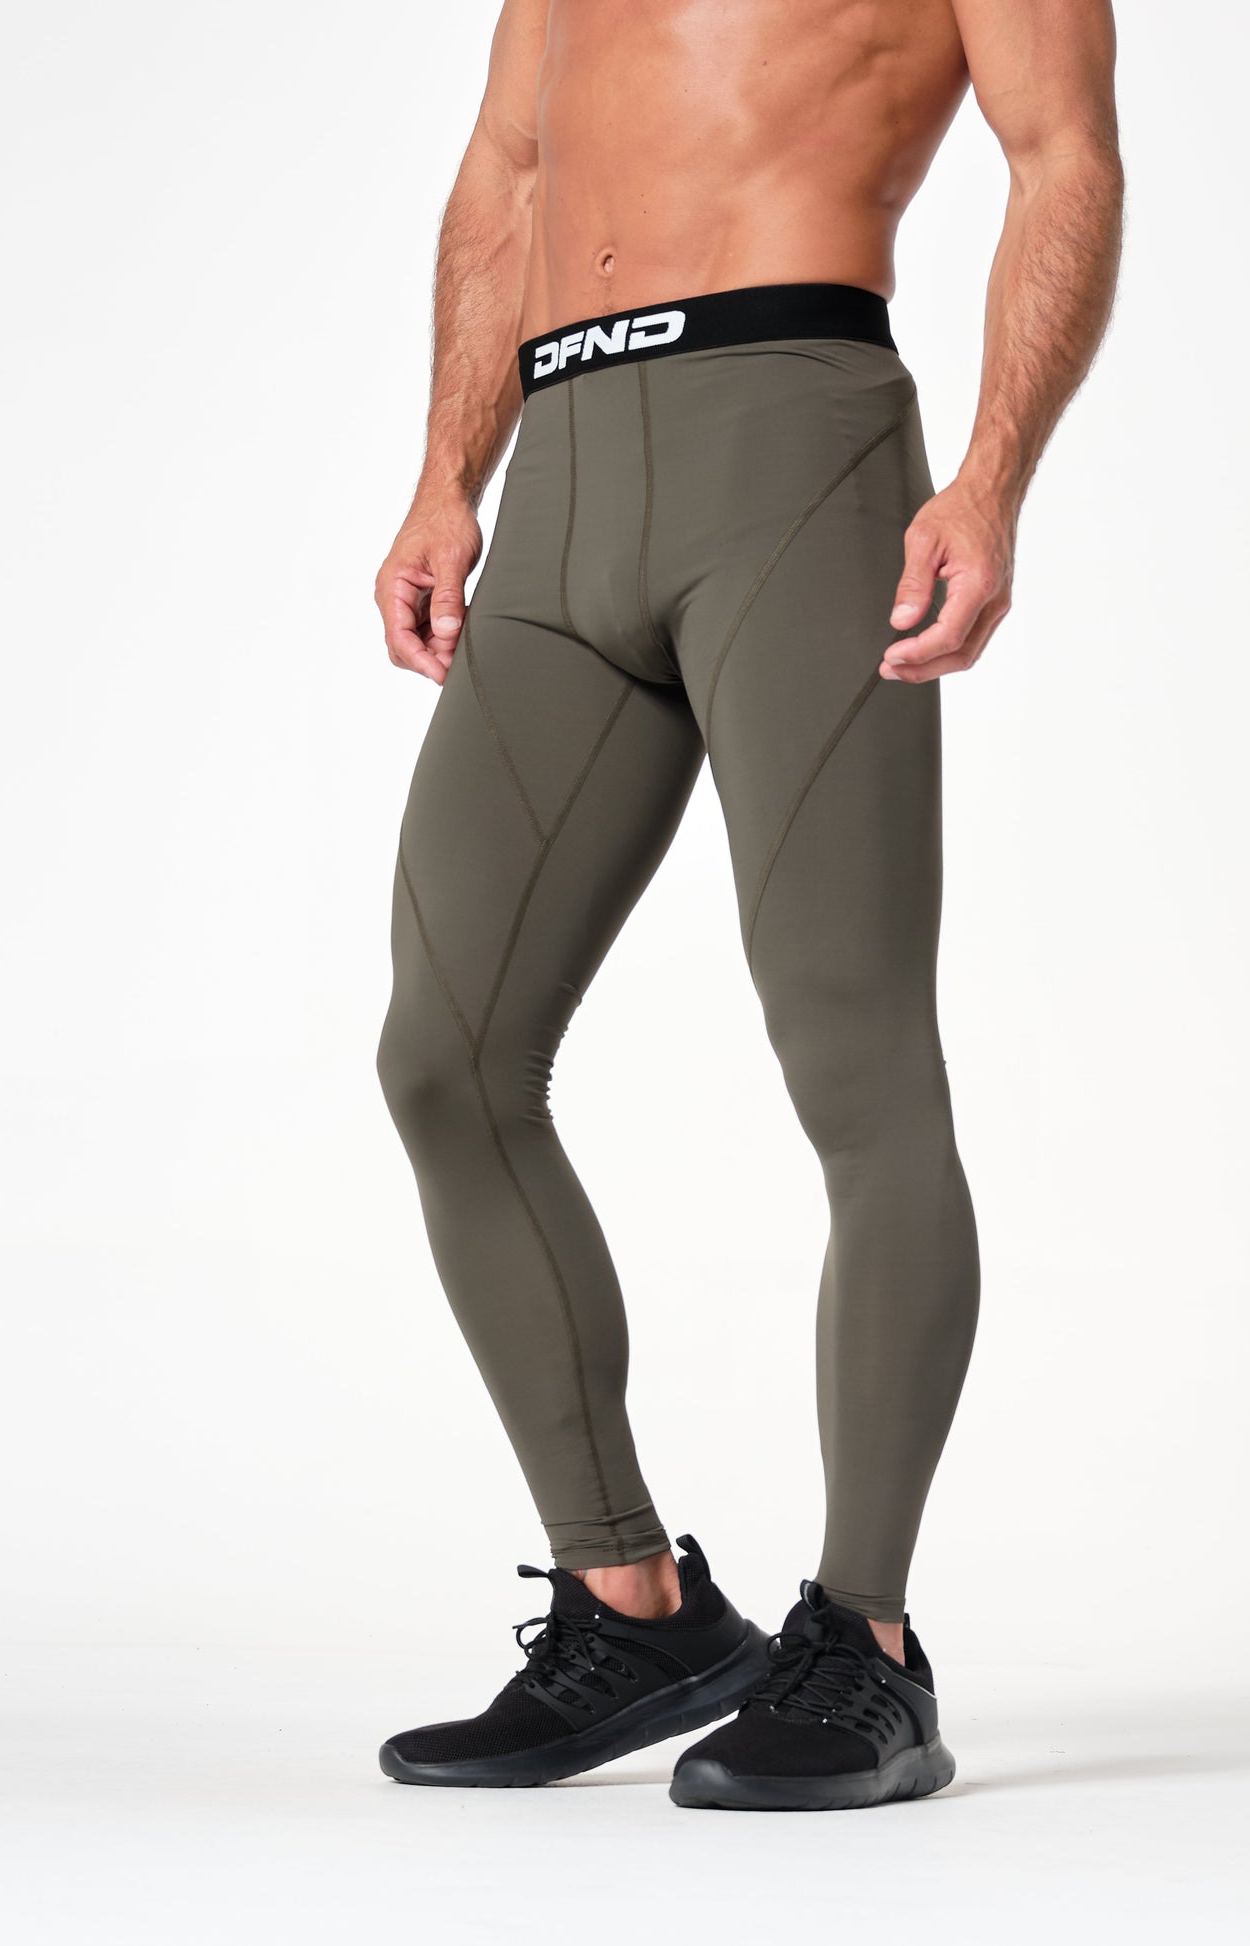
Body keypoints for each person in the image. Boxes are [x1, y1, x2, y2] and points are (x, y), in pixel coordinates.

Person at [370, 0, 1122, 1812]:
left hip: (794, 447)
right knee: (446, 1060)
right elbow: (505, 174)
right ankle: (629, 1602)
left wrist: (990, 482)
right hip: (561, 475)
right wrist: (444, 478)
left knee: (854, 1057)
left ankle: (865, 1641)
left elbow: (1062, 158)